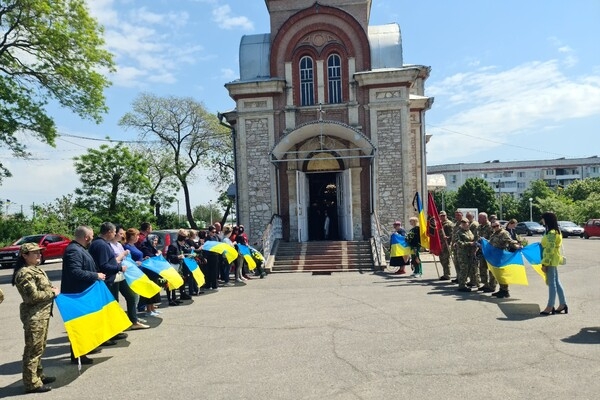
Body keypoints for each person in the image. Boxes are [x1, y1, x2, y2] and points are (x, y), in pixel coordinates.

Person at [12, 243, 59, 393]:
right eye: (35, 253)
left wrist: (50, 289)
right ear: (24, 255)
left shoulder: (35, 269)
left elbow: (42, 288)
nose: (39, 255)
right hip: (34, 317)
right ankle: (32, 383)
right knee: (33, 350)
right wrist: (53, 293)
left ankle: (38, 375)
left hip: (42, 315)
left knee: (40, 347)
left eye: (40, 252)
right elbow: (32, 297)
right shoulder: (24, 273)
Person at [61, 226, 106, 365]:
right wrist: (96, 275)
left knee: (86, 324)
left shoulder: (79, 248)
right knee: (79, 326)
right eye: (91, 235)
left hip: (84, 293)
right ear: (86, 237)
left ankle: (85, 349)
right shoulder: (73, 250)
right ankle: (78, 355)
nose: (93, 238)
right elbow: (75, 272)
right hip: (77, 294)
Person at [88, 222, 129, 344]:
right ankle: (105, 336)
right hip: (105, 282)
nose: (115, 234)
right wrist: (119, 268)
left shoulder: (100, 243)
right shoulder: (101, 245)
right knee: (104, 310)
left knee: (110, 308)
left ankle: (113, 332)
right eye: (114, 232)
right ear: (109, 232)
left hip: (107, 281)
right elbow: (104, 265)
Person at [109, 225, 149, 329]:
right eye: (120, 233)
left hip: (122, 274)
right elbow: (114, 260)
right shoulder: (109, 245)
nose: (123, 235)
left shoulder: (119, 245)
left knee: (131, 297)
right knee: (115, 300)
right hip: (114, 275)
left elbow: (126, 260)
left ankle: (133, 321)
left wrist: (134, 263)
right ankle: (116, 325)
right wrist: (123, 254)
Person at [484, 219, 522, 298]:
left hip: (501, 255)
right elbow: (491, 243)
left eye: (497, 226)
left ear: (500, 225)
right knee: (498, 274)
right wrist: (483, 241)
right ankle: (502, 289)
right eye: (493, 226)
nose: (495, 227)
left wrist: (517, 246)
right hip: (495, 256)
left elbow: (510, 241)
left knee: (502, 273)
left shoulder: (504, 233)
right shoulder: (494, 234)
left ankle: (505, 291)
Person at [540, 211, 568, 315]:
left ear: (547, 220)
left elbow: (549, 250)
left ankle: (550, 306)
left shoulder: (551, 233)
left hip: (550, 260)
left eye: (543, 218)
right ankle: (563, 304)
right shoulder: (556, 231)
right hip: (554, 259)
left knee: (552, 283)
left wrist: (545, 264)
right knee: (556, 282)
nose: (542, 220)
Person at [166, 229, 193, 300]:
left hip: (179, 266)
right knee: (172, 283)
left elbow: (186, 250)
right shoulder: (173, 245)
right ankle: (172, 299)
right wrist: (178, 257)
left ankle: (180, 295)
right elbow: (169, 256)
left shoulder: (180, 245)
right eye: (184, 237)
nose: (185, 241)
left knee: (181, 280)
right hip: (173, 266)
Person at [456, 217, 477, 292]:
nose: (464, 225)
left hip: (470, 253)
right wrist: (469, 243)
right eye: (463, 223)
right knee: (464, 269)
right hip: (462, 253)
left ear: (468, 224)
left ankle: (469, 282)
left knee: (469, 269)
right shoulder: (459, 232)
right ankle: (462, 285)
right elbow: (458, 243)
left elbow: (473, 239)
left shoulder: (469, 231)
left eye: (465, 223)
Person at [438, 211, 453, 280]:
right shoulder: (439, 223)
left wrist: (448, 238)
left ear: (446, 216)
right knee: (441, 259)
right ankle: (445, 273)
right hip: (441, 244)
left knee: (446, 260)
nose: (442, 217)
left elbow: (452, 234)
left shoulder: (449, 224)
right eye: (441, 216)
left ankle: (447, 275)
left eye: (444, 216)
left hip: (446, 244)